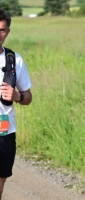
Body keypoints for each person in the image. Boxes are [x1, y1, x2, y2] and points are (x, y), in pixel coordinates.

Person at [0, 10, 32, 199]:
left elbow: (28, 97)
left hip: (5, 131)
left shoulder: (14, 60)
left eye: (2, 30)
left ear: (8, 32)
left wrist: (17, 96)